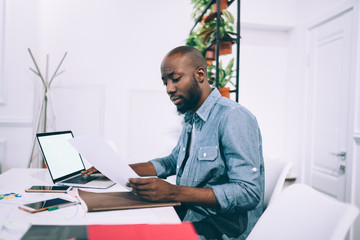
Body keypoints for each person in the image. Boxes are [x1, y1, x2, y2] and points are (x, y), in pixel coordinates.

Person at [83, 46, 264, 240]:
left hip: (219, 230)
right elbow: (171, 162)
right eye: (165, 82)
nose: (169, 89)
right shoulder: (192, 117)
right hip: (188, 215)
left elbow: (248, 192)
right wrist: (115, 169)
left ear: (200, 74)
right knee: (114, 226)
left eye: (175, 78)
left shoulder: (232, 116)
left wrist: (174, 193)